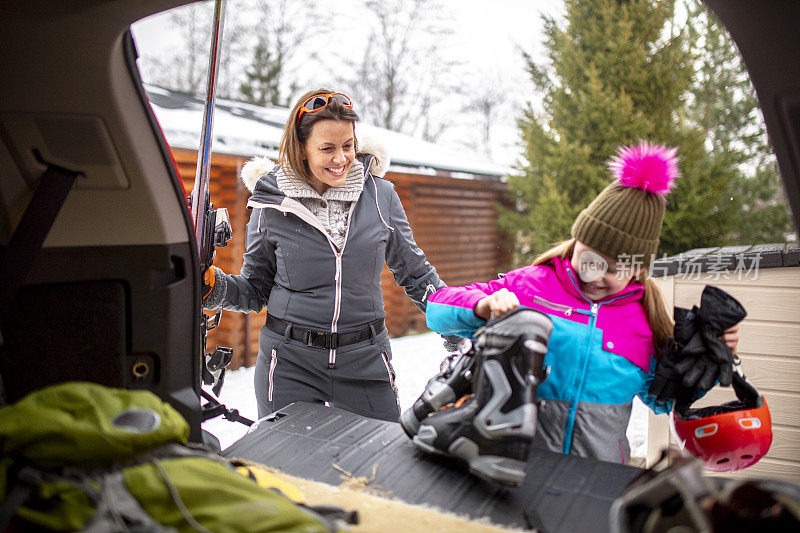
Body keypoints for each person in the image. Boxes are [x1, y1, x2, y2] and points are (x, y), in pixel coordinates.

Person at [424, 142, 739, 464]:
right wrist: (482, 306)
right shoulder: (530, 285)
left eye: (614, 269)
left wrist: (710, 360)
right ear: (575, 244)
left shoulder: (643, 324)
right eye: (589, 259)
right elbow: (437, 308)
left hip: (597, 476)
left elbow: (663, 398)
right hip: (508, 462)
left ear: (637, 269)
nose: (596, 275)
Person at [203, 89, 445, 422]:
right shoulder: (272, 203)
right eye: (327, 148)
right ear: (301, 148)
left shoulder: (380, 196)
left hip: (365, 360)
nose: (341, 159)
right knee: (287, 469)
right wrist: (214, 287)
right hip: (289, 363)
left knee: (377, 462)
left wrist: (456, 323)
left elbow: (416, 273)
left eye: (347, 146)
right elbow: (255, 290)